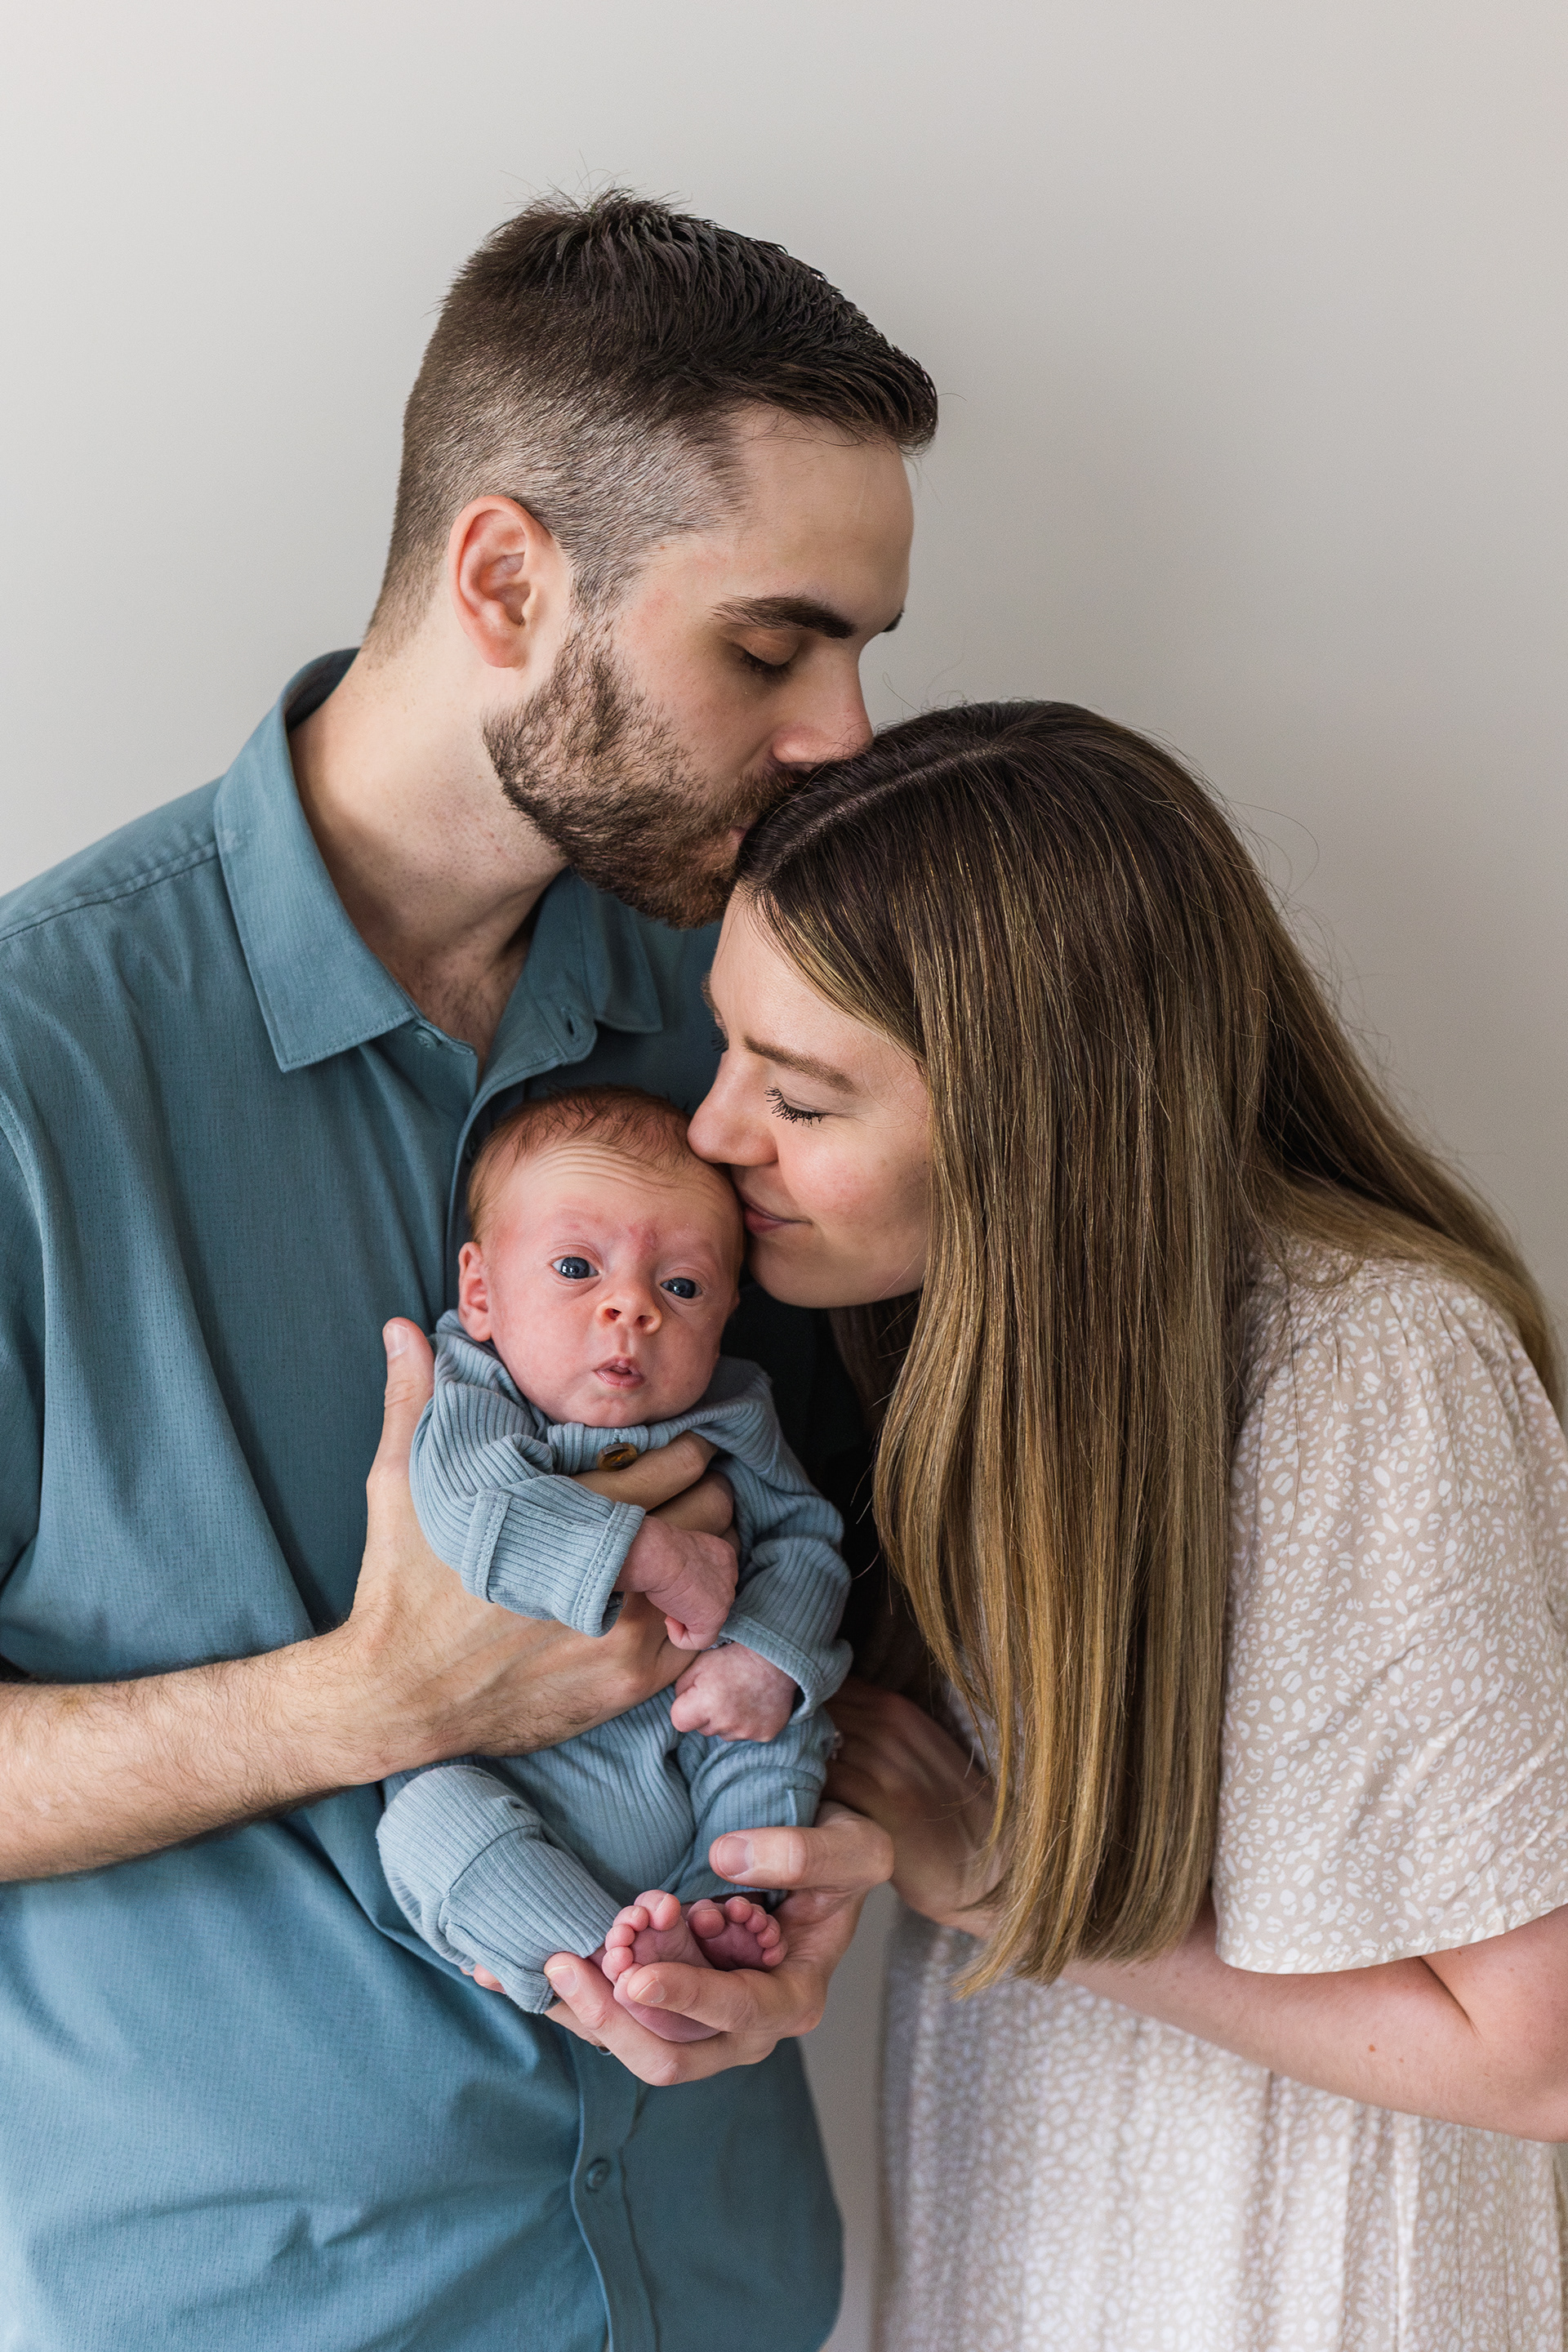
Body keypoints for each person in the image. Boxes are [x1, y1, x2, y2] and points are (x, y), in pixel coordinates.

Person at [0, 193, 927, 2350]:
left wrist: (828, 1850)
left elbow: (876, 1557)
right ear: (505, 579)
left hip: (726, 2289)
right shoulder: (36, 1074)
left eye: (863, 650)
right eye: (773, 649)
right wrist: (371, 1701)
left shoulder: (760, 1034)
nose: (847, 734)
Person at [678, 699, 1568, 2350]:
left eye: (798, 1095)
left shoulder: (1374, 1372)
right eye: (725, 1046)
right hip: (1045, 2249)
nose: (713, 1131)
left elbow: (1541, 2052)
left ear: (1029, 1117)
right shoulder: (952, 1344)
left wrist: (997, 1879)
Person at [376, 1084, 850, 2041]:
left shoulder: (734, 1412)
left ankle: (721, 1912)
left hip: (689, 1742)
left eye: (682, 1288)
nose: (631, 1306)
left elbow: (805, 1539)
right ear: (482, 1293)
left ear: (727, 1313)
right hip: (514, 1788)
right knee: (425, 1822)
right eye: (575, 1268)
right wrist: (653, 1554)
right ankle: (613, 1970)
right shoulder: (473, 1394)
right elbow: (474, 1513)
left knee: (782, 1725)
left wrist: (766, 1653)